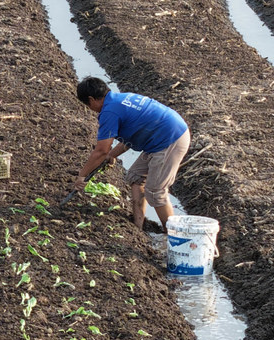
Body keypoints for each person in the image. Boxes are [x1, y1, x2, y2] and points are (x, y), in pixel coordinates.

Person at [74, 77, 189, 230]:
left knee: (156, 191)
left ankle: (174, 237)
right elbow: (131, 135)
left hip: (170, 139)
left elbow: (101, 150)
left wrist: (82, 176)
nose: (90, 109)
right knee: (135, 177)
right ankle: (138, 226)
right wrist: (112, 155)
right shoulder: (119, 100)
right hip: (161, 136)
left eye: (87, 105)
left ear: (91, 99)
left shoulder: (109, 111)